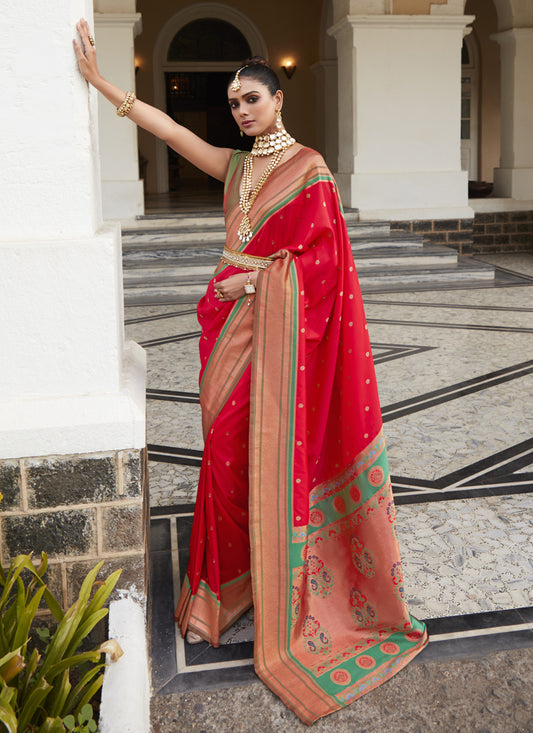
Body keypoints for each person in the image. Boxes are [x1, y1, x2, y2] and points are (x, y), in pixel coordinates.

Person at [74, 18, 427, 725]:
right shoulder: (237, 168)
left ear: (276, 101)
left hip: (266, 323)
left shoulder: (310, 170)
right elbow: (173, 135)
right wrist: (105, 86)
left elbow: (325, 270)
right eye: (233, 101)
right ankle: (225, 585)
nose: (239, 110)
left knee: (250, 453)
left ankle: (270, 583)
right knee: (225, 456)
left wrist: (257, 284)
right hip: (225, 327)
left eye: (250, 99)